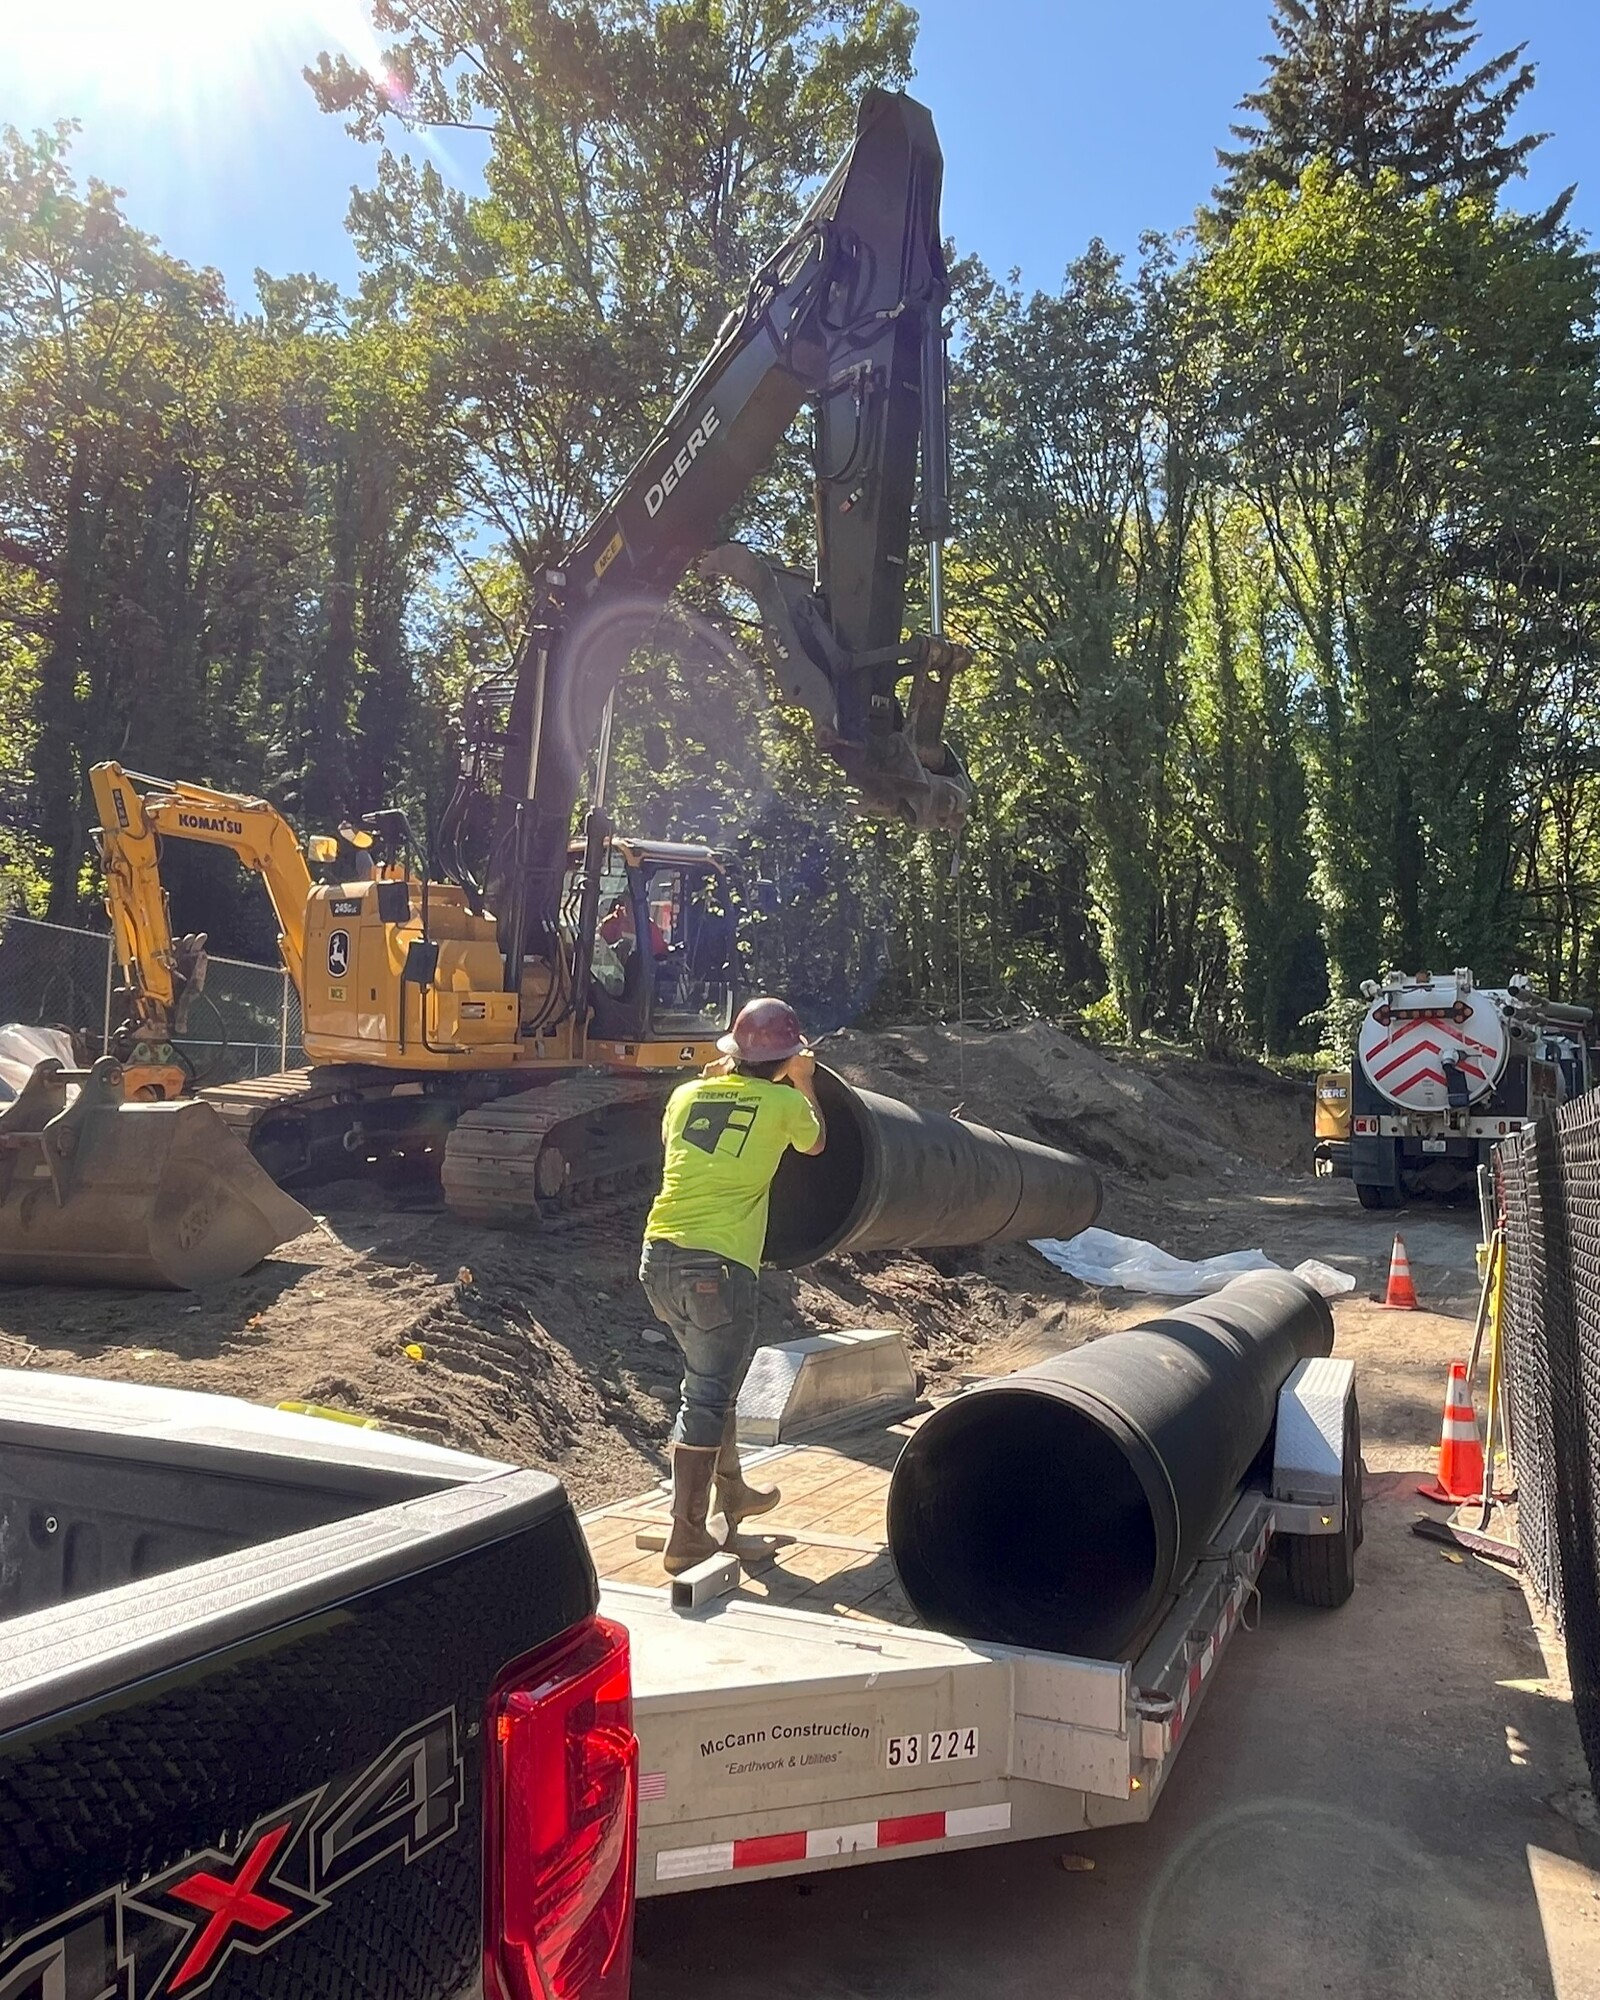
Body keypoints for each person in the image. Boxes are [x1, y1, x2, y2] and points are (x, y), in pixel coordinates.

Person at [639, 995, 827, 1573]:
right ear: (786, 1057)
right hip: (717, 1271)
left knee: (709, 1385)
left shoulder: (684, 1095)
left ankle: (733, 1491)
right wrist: (804, 1081)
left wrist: (728, 1081)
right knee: (704, 1395)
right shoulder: (782, 1102)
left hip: (659, 1260)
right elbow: (816, 1141)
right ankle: (687, 1533)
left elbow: (686, 1144)